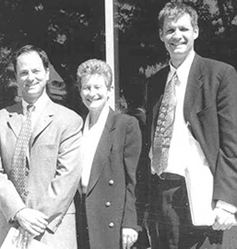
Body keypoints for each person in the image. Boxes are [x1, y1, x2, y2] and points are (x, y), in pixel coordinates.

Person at [145, 2, 237, 248]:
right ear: (162, 36)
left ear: (196, 31)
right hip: (161, 193)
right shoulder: (155, 83)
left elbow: (231, 143)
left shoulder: (219, 75)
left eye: (184, 29)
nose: (177, 36)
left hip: (202, 195)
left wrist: (227, 202)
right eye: (170, 30)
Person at [0, 45, 83, 249]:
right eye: (23, 72)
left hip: (51, 227)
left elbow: (67, 176)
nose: (30, 77)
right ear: (17, 78)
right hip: (10, 225)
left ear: (47, 73)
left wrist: (35, 219)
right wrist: (20, 213)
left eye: (36, 71)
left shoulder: (69, 121)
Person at [74, 59, 141, 249]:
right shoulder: (76, 126)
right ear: (80, 92)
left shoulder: (125, 124)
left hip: (113, 219)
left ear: (109, 90)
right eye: (86, 87)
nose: (92, 93)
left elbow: (133, 180)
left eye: (98, 87)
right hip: (83, 215)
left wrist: (130, 222)